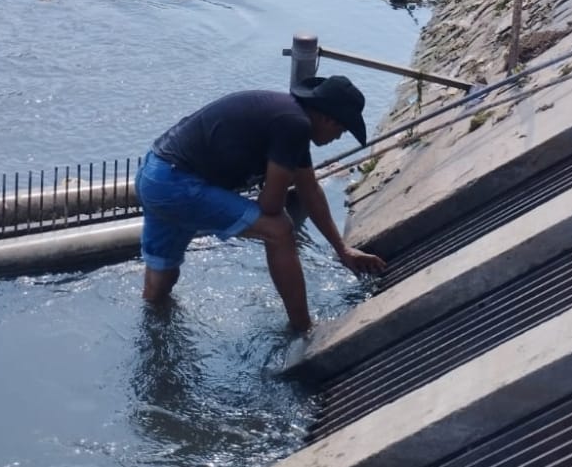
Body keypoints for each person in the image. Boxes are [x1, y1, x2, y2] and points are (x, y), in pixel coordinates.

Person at [135, 76, 386, 332]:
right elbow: (271, 208)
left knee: (162, 280)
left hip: (154, 174)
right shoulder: (294, 125)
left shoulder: (289, 117)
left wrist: (342, 249)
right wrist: (275, 180)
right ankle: (304, 329)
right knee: (280, 230)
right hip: (178, 185)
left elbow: (309, 190)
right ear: (328, 119)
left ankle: (154, 338)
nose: (338, 137)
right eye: (342, 130)